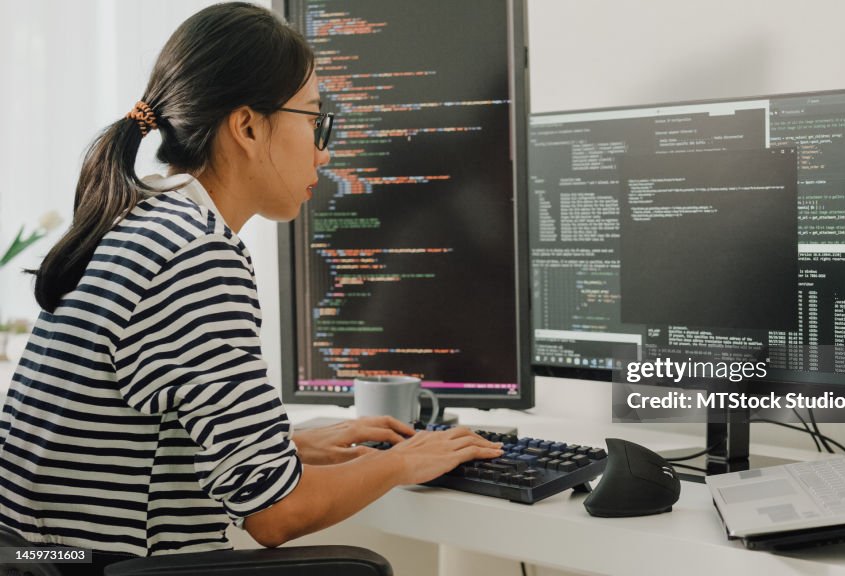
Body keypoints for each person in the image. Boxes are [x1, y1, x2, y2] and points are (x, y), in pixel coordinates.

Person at [0, 3, 503, 574]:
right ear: (246, 126)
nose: (323, 152)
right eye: (314, 120)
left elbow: (142, 435)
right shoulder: (196, 254)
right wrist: (404, 462)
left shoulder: (140, 222)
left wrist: (282, 445)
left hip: (45, 557)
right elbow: (276, 514)